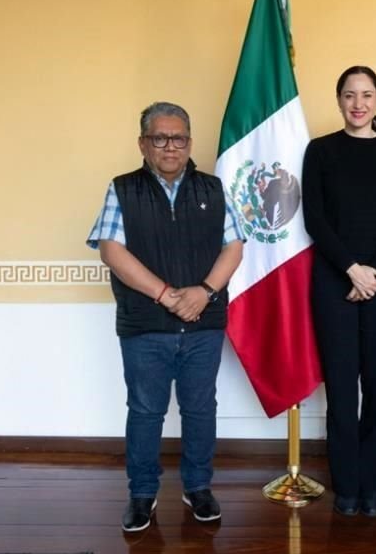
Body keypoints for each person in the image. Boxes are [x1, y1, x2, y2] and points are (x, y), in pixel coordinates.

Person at [86, 102, 245, 533]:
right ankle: (141, 494)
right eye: (159, 138)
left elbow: (234, 246)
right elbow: (111, 250)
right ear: (143, 144)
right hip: (145, 326)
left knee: (199, 409)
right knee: (144, 411)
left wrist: (204, 292)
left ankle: (198, 488)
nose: (170, 147)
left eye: (178, 138)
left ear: (189, 142)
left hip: (203, 323)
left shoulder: (213, 189)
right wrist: (165, 294)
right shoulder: (122, 189)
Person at [302, 65, 376, 517]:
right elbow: (315, 219)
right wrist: (351, 270)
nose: (358, 103)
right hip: (333, 283)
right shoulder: (320, 151)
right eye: (350, 94)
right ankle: (346, 484)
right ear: (339, 100)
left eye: (367, 94)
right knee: (343, 389)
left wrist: (372, 273)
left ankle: (373, 482)